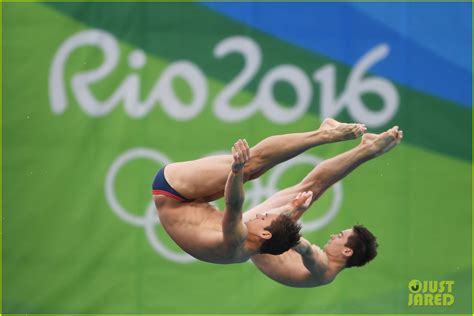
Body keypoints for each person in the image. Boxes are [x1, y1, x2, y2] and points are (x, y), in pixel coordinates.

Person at [152, 119, 402, 268]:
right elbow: (271, 223)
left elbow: (234, 203)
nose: (259, 215)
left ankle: (324, 134)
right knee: (309, 189)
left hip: (172, 190)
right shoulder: (252, 244)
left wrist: (236, 170)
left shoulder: (236, 240)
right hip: (195, 203)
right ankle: (364, 150)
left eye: (263, 218)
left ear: (264, 233)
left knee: (251, 167)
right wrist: (291, 209)